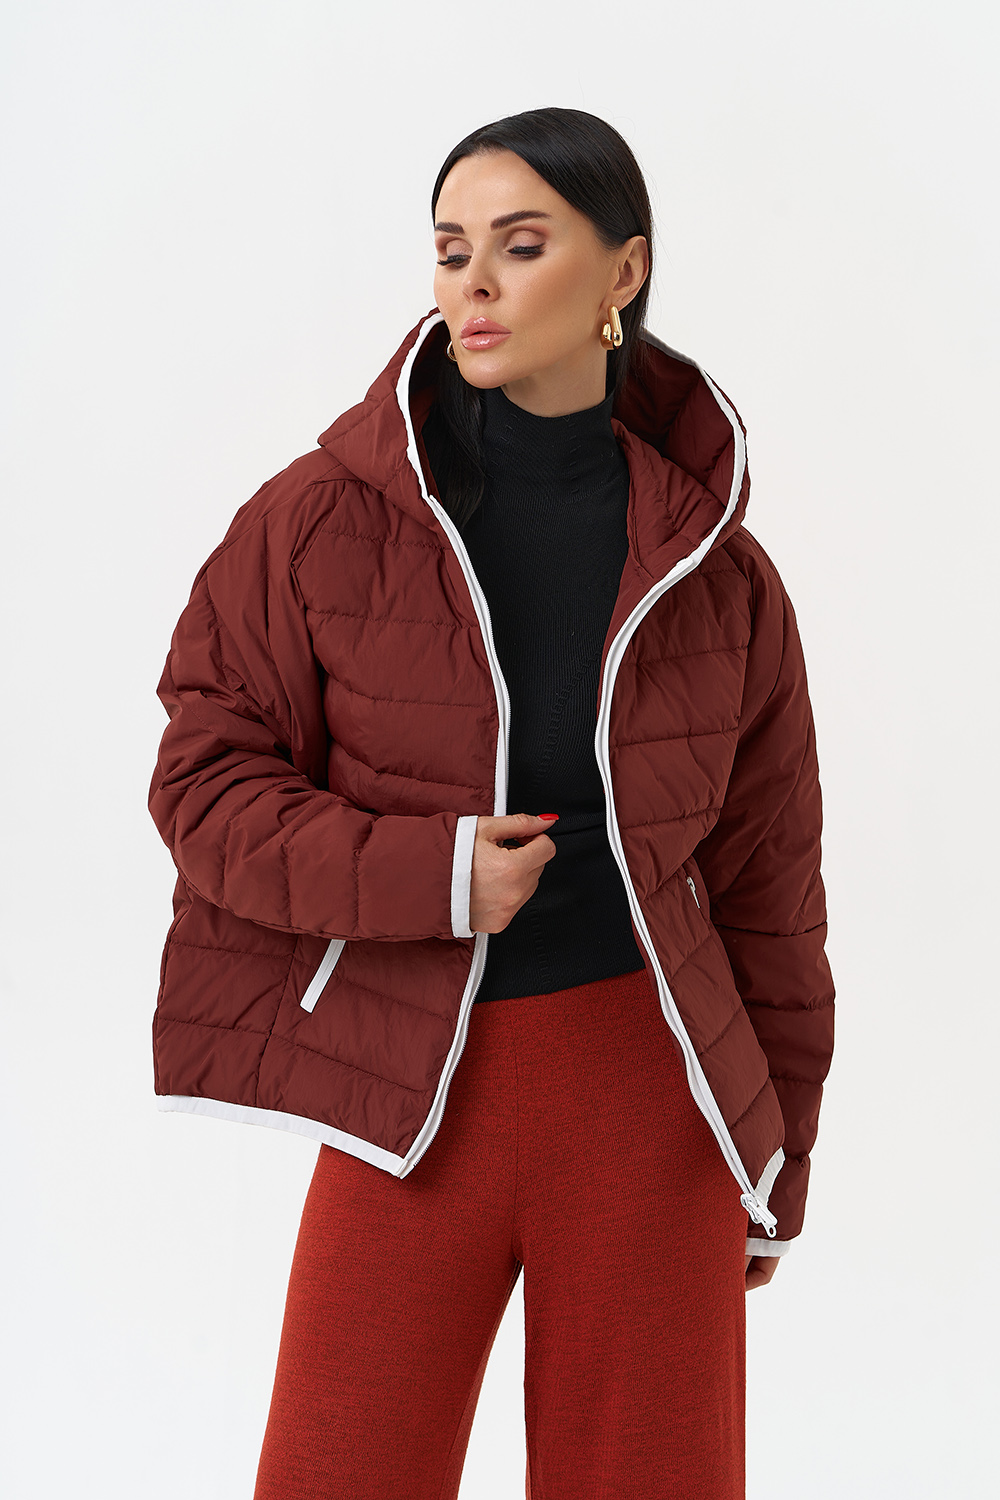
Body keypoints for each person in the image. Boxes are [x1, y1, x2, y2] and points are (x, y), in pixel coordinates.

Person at [148, 106, 835, 1500]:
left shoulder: (720, 571)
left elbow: (771, 888)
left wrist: (777, 1159)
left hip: (654, 1101)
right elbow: (202, 787)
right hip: (409, 1088)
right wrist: (434, 873)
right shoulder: (320, 520)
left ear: (624, 273)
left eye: (521, 246)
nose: (474, 282)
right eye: (451, 248)